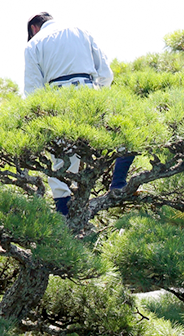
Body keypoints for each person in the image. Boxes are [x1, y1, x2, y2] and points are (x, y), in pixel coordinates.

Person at [24, 12, 134, 216]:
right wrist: (98, 96)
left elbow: (33, 91)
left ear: (34, 28)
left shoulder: (34, 44)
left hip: (58, 100)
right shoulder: (80, 30)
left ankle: (65, 219)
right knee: (126, 137)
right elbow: (105, 73)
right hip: (88, 93)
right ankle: (118, 183)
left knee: (61, 165)